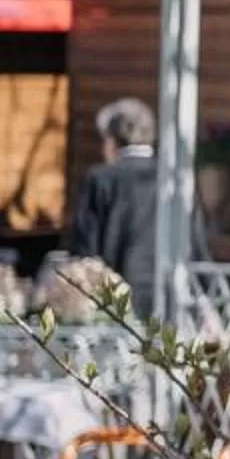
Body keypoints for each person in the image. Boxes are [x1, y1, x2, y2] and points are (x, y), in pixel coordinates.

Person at [66, 97, 205, 316]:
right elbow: (196, 245)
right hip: (171, 299)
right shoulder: (176, 180)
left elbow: (85, 248)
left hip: (116, 302)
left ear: (111, 141)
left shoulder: (101, 179)